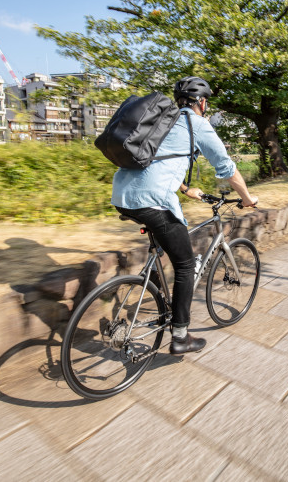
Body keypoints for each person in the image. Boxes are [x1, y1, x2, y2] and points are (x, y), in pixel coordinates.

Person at [111, 76, 258, 355]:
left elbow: (154, 158)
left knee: (165, 245)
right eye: (207, 103)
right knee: (185, 264)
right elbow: (227, 168)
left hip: (122, 196)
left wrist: (185, 189)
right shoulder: (198, 124)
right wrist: (248, 198)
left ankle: (155, 290)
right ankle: (180, 336)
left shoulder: (162, 121)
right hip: (152, 200)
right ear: (202, 102)